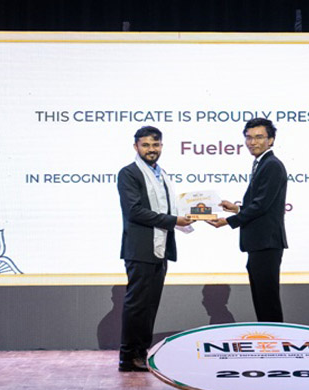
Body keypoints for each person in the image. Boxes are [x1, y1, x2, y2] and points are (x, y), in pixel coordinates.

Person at [117, 126, 193, 372]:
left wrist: (189, 215)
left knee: (149, 305)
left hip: (159, 249)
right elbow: (135, 211)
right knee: (138, 305)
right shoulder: (129, 173)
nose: (151, 149)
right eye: (146, 145)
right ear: (136, 147)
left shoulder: (162, 174)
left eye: (156, 145)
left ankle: (141, 353)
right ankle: (128, 357)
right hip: (140, 249)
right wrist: (173, 220)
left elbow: (167, 208)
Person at [208, 118, 288, 322]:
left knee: (267, 301)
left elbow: (261, 206)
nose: (252, 142)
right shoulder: (262, 164)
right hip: (260, 243)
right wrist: (237, 208)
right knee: (262, 299)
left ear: (271, 140)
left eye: (259, 137)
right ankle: (270, 336)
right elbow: (262, 204)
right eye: (249, 138)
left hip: (266, 242)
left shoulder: (271, 165)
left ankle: (274, 338)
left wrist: (229, 221)